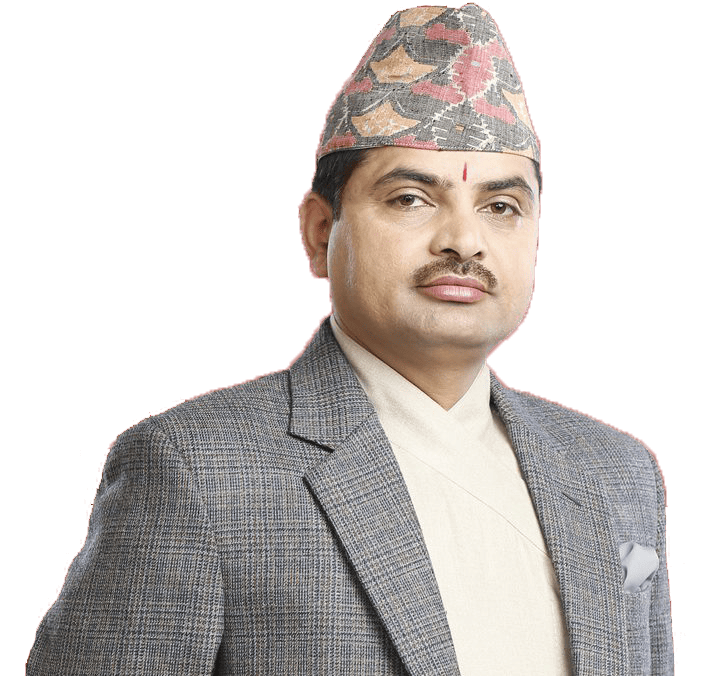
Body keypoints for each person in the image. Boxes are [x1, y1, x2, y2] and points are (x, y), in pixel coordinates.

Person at [26, 4, 672, 675]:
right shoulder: (197, 471)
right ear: (318, 233)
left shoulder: (616, 472)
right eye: (410, 198)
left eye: (501, 207)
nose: (464, 240)